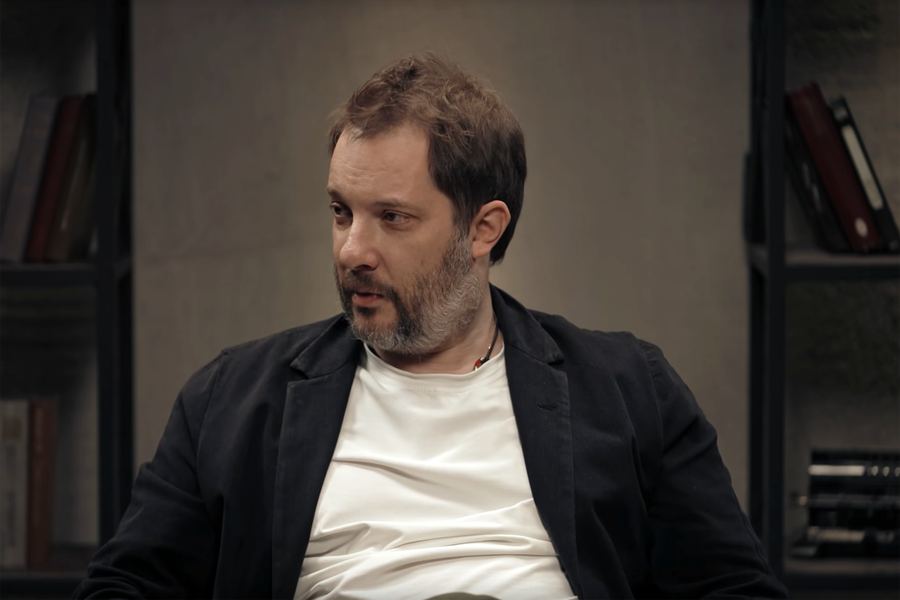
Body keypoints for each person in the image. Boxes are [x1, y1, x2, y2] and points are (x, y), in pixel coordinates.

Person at [73, 53, 788, 600]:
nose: (352, 250)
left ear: (483, 228)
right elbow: (123, 588)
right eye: (341, 212)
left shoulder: (630, 392)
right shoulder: (230, 399)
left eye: (392, 217)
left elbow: (734, 589)